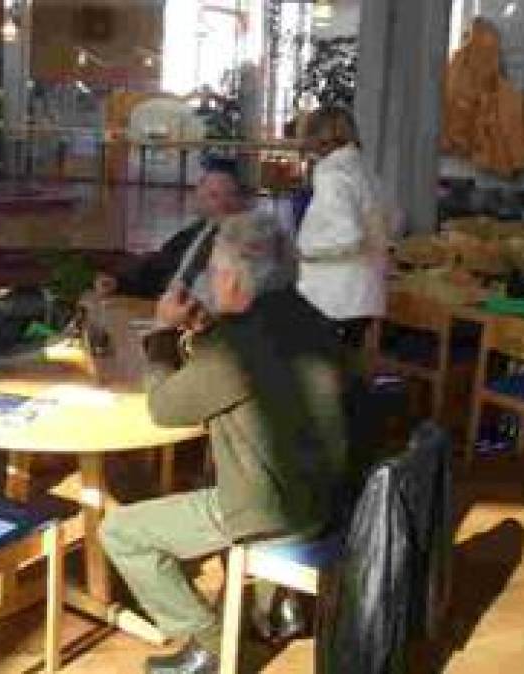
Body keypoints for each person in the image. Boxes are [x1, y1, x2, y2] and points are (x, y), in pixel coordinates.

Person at [100, 213, 348, 674]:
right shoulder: (308, 316)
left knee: (121, 532)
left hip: (275, 508)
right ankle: (280, 607)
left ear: (233, 279)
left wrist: (161, 333)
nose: (210, 282)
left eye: (214, 271)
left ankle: (212, 646)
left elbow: (165, 408)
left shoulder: (240, 345)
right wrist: (210, 330)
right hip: (332, 494)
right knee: (229, 471)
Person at [296, 106, 389, 348]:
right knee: (347, 361)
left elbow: (347, 237)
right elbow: (391, 221)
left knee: (323, 367)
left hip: (335, 296)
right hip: (364, 293)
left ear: (318, 137)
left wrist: (305, 251)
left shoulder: (331, 172)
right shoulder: (363, 168)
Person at [95, 161, 245, 302]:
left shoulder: (247, 241)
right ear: (200, 201)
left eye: (232, 195)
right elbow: (158, 269)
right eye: (214, 196)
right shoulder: (194, 233)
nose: (224, 203)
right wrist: (119, 284)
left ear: (242, 200)